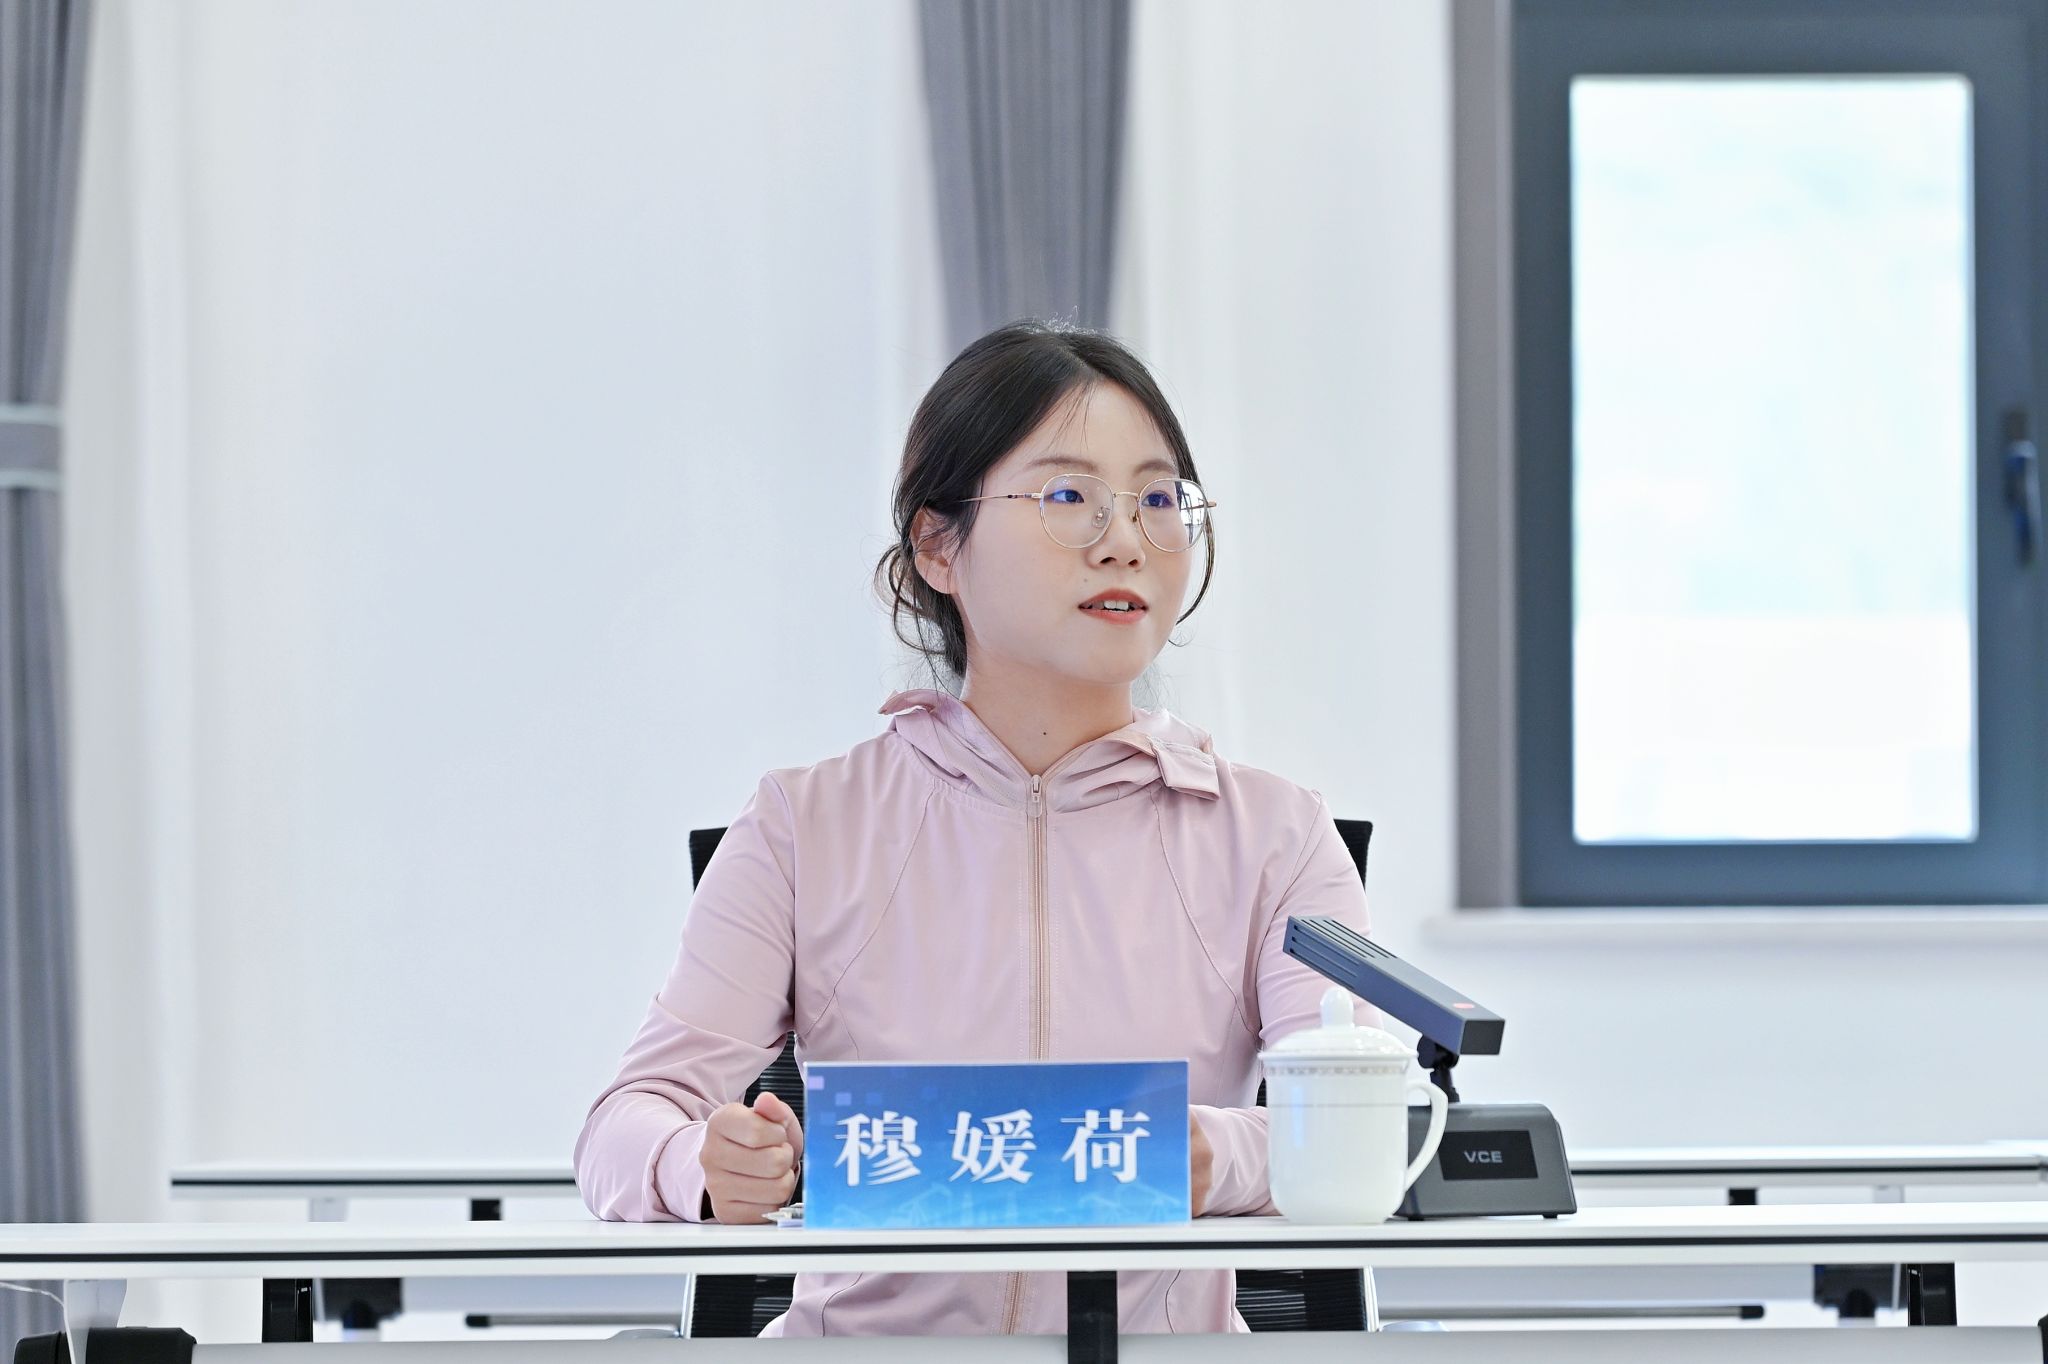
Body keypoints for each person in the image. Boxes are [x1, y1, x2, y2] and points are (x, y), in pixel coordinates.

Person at [574, 319, 1378, 1336]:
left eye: (1157, 498)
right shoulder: (804, 826)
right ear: (936, 544)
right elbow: (620, 1125)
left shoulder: (1273, 834)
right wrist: (696, 1162)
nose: (1125, 539)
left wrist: (1209, 1155)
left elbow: (1365, 1128)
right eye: (1067, 496)